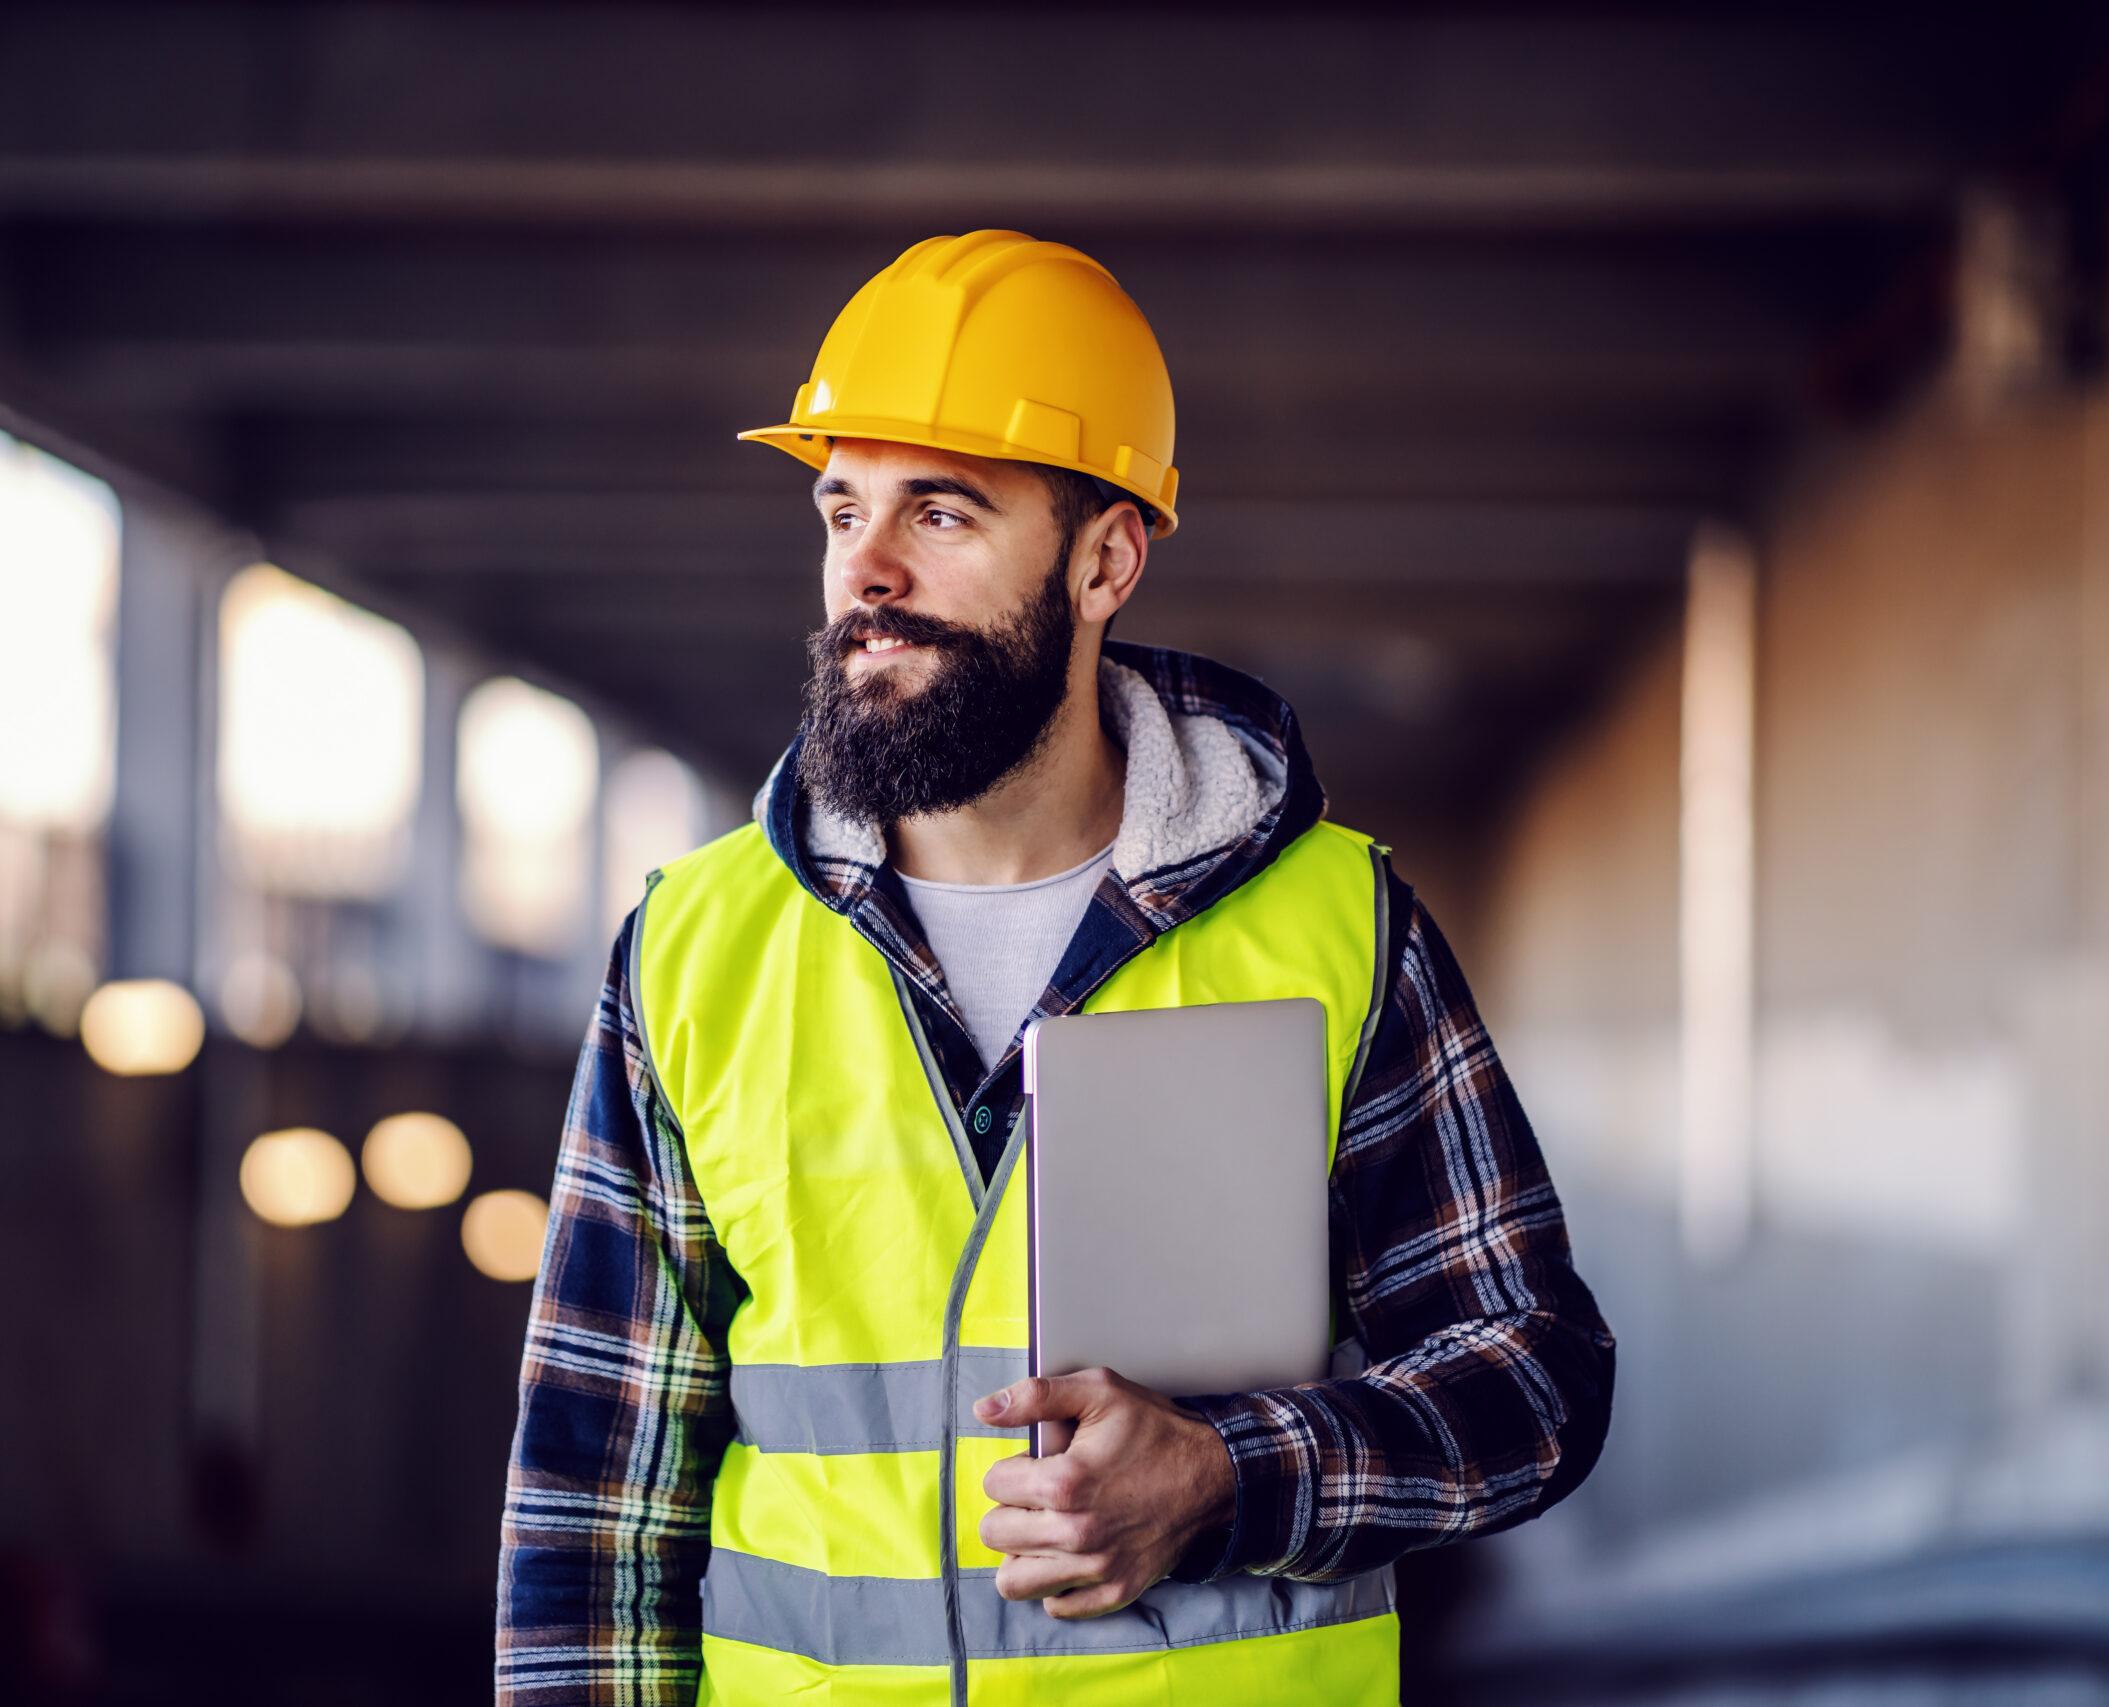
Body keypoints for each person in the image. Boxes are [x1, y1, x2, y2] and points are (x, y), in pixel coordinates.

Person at [496, 229, 1614, 1705]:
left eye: (941, 514)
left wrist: (1232, 1477)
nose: (867, 574)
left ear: (1104, 560)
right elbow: (593, 1518)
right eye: (843, 510)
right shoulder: (695, 952)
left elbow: (1535, 1377)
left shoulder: (1339, 929)